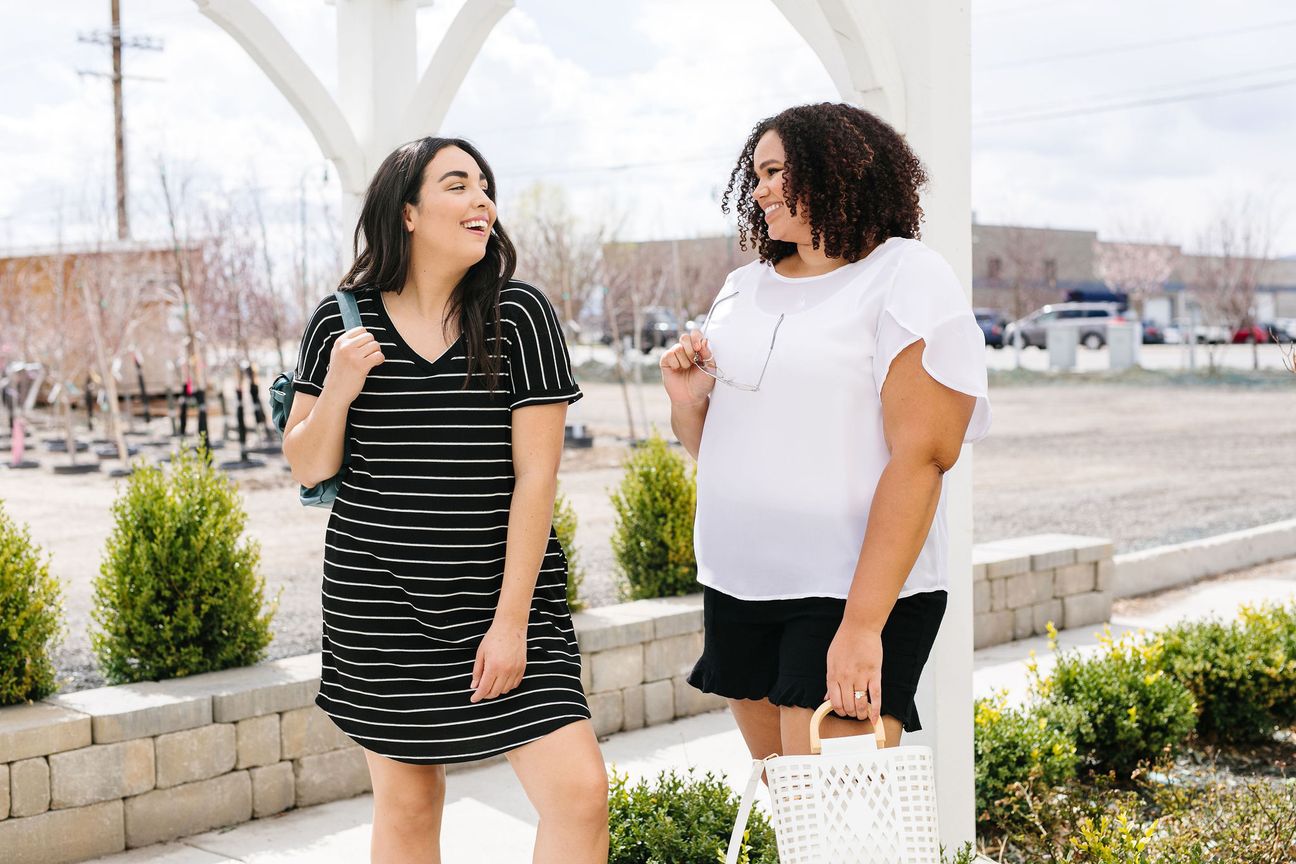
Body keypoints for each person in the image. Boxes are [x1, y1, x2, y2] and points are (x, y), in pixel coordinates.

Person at [283, 137, 607, 863]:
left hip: (507, 601)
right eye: (458, 185)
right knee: (408, 805)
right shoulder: (341, 322)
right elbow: (307, 467)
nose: (481, 200)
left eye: (485, 186)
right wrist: (338, 386)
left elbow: (537, 480)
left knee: (579, 794)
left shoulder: (520, 316)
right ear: (406, 212)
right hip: (381, 606)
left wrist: (511, 625)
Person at [660, 102, 992, 758]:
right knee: (798, 814)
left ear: (836, 168)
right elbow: (730, 453)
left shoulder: (905, 276)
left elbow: (923, 458)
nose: (758, 189)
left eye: (776, 170)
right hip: (740, 586)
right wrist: (687, 406)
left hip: (847, 594)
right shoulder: (740, 286)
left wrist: (864, 625)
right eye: (753, 174)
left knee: (842, 820)